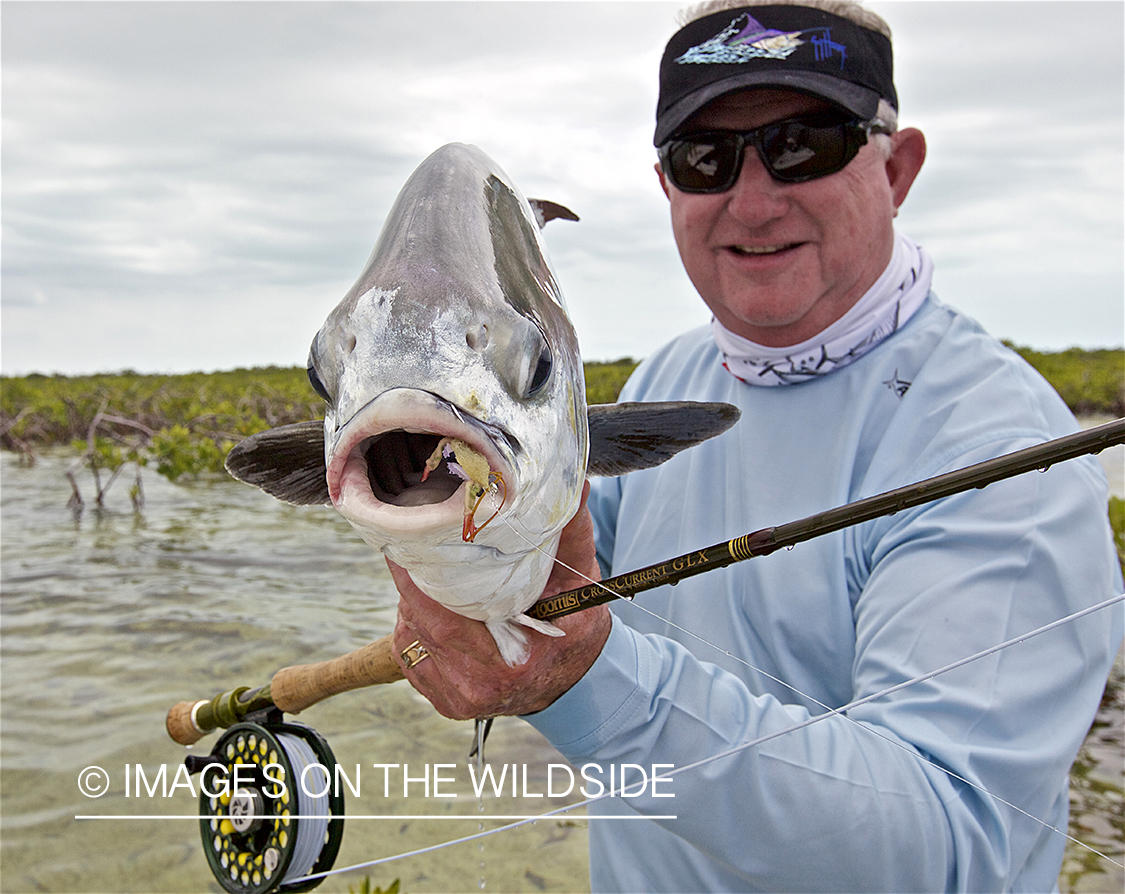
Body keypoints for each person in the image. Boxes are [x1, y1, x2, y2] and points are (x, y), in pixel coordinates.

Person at [389, 1, 1125, 890]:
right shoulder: (673, 371)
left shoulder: (998, 446)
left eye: (802, 143)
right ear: (666, 187)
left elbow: (947, 851)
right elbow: (554, 586)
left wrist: (585, 685)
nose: (752, 198)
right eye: (706, 158)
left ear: (896, 168)